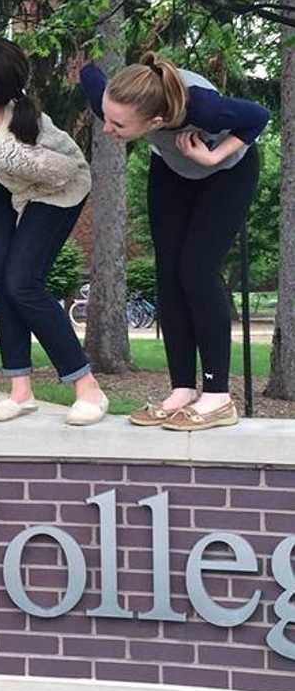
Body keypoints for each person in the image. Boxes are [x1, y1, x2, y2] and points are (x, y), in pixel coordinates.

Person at [81, 53, 268, 431]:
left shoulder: (205, 108)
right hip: (172, 170)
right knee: (168, 273)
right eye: (107, 117)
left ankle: (218, 396)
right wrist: (83, 59)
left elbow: (258, 116)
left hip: (227, 173)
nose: (107, 128)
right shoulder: (116, 101)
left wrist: (214, 156)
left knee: (196, 270)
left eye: (118, 125)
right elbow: (88, 73)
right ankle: (181, 389)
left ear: (156, 121)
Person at [0, 35, 109, 425]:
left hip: (57, 189)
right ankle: (20, 392)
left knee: (22, 282)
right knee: (0, 277)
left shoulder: (7, 147)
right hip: (5, 179)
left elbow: (65, 170)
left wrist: (24, 203)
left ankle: (88, 388)